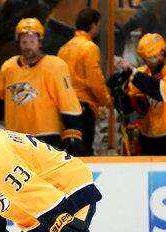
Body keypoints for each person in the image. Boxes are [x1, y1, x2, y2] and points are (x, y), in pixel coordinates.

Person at [0, 18, 85, 155]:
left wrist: (73, 132)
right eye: (24, 42)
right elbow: (1, 105)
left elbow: (68, 104)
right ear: (18, 43)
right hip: (16, 139)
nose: (28, 46)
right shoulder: (9, 67)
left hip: (47, 138)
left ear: (40, 42)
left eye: (32, 41)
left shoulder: (55, 66)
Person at [116, 33, 166, 155]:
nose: (149, 63)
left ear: (163, 52)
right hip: (149, 137)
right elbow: (128, 106)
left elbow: (162, 92)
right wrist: (120, 88)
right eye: (144, 59)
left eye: (152, 58)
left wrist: (134, 74)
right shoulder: (143, 72)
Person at [58, 8, 111, 156]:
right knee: (85, 151)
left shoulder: (63, 49)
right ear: (93, 25)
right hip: (84, 107)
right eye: (98, 25)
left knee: (70, 151)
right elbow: (95, 81)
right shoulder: (90, 48)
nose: (98, 29)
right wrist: (106, 100)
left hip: (66, 108)